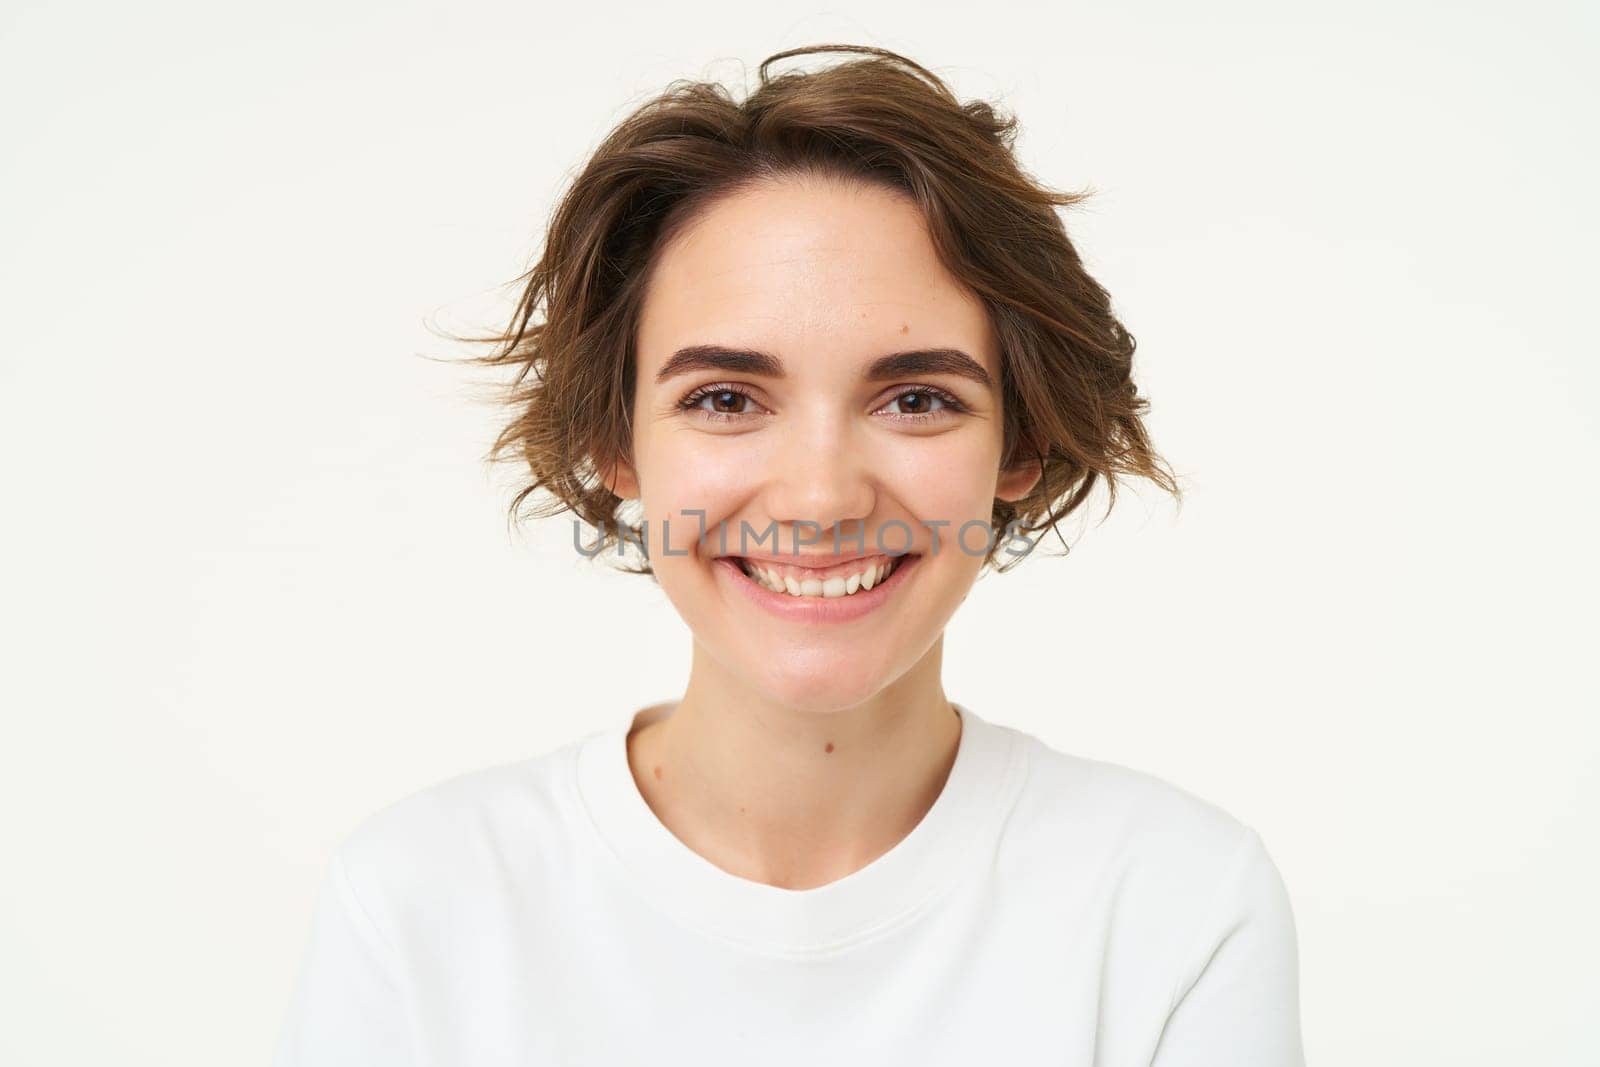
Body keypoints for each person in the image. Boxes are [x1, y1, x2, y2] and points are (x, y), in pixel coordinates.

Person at [272, 44, 1305, 1066]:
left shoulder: (1176, 901)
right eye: (725, 399)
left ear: (1022, 443)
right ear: (615, 440)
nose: (819, 497)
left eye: (916, 399)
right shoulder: (422, 902)